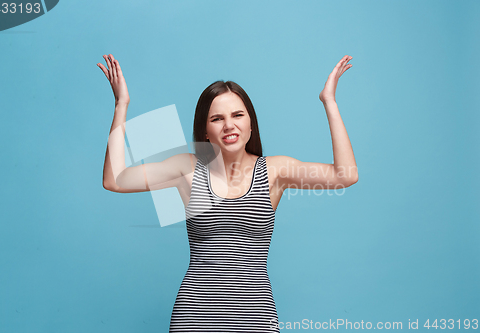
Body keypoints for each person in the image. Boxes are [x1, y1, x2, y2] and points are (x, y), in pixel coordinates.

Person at [98, 54, 358, 332]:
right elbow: (115, 180)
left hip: (256, 318)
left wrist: (329, 101)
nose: (229, 125)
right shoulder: (187, 168)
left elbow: (346, 175)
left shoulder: (275, 171)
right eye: (217, 118)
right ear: (206, 131)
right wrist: (120, 105)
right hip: (194, 319)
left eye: (237, 115)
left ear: (250, 124)